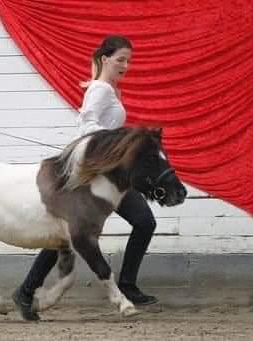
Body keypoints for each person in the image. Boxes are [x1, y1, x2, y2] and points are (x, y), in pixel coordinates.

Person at [13, 35, 158, 321]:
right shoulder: (101, 89)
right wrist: (114, 145)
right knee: (69, 234)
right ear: (105, 59)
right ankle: (26, 290)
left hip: (110, 175)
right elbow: (86, 125)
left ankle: (127, 284)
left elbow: (103, 126)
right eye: (120, 60)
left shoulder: (111, 90)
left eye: (128, 61)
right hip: (95, 175)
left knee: (143, 222)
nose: (125, 65)